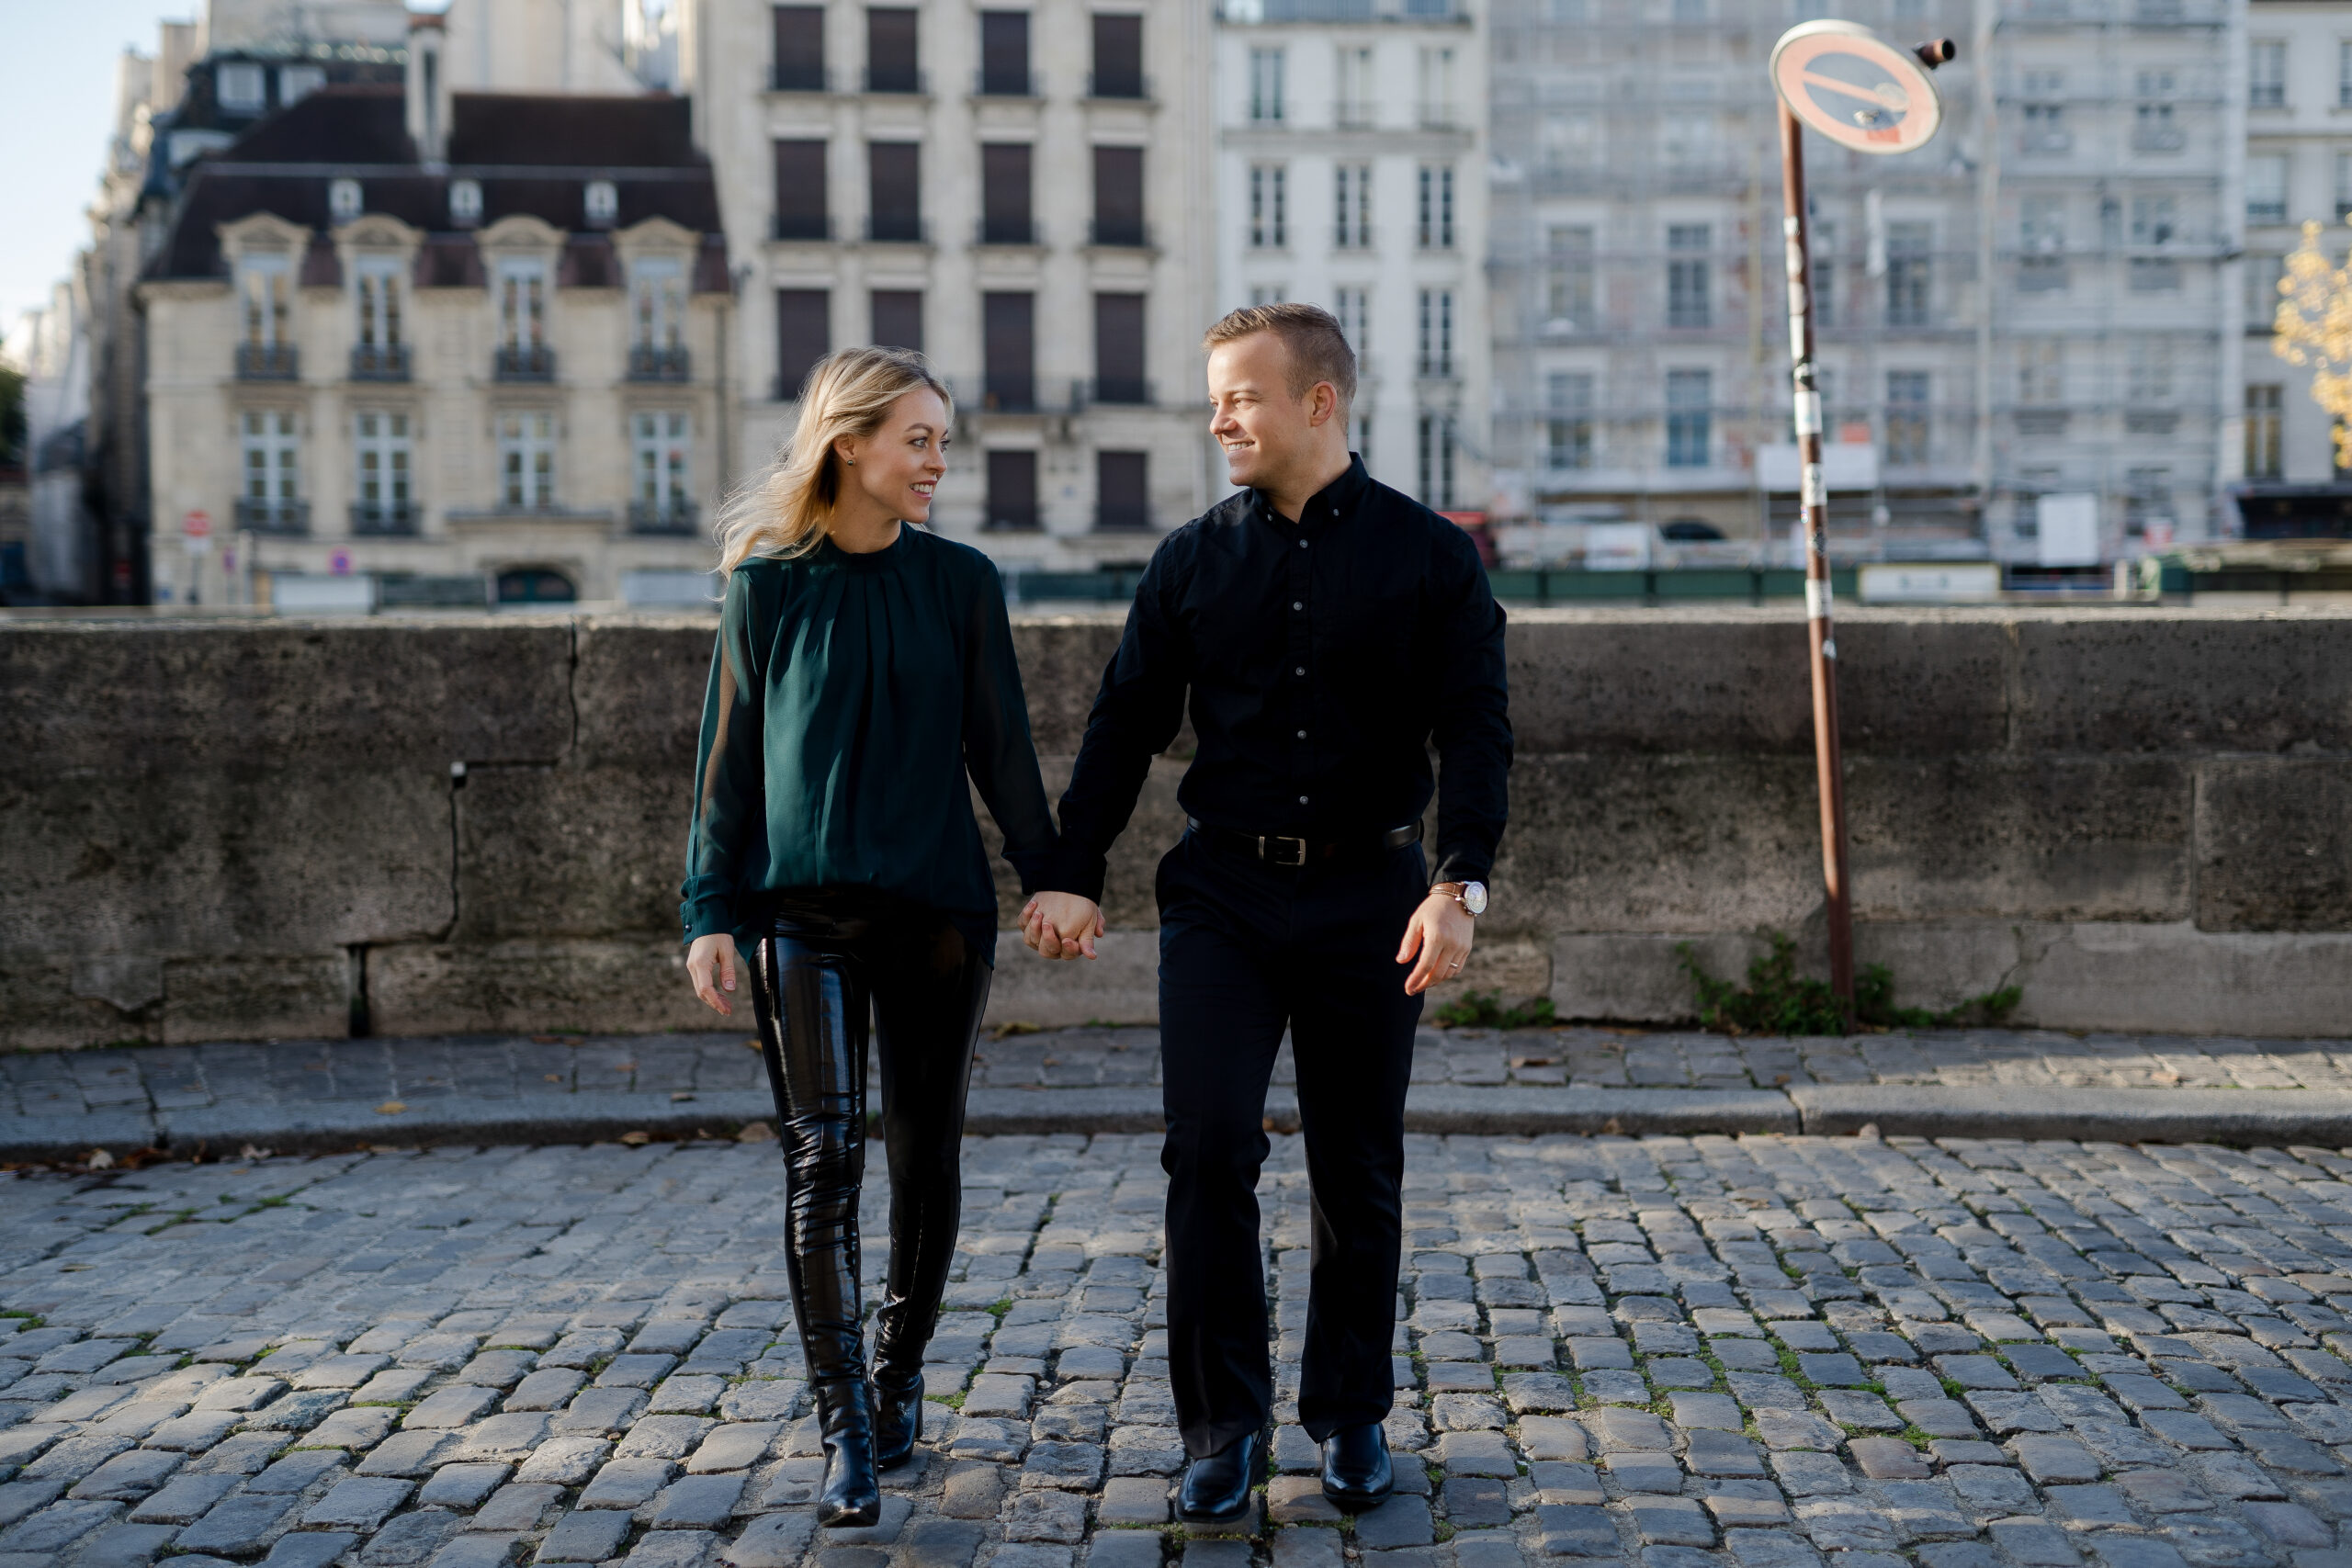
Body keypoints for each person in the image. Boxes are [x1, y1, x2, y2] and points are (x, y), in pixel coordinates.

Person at [1022, 303, 1512, 1522]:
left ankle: (1350, 1415)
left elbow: (1477, 726)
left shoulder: (1431, 558)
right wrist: (1071, 865)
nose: (1218, 417)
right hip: (1222, 894)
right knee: (1207, 1151)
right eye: (1217, 395)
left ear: (1318, 402)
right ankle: (1221, 1428)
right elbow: (1124, 722)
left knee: (1359, 1161)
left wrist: (1460, 882)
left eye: (1241, 394)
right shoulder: (1191, 558)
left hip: (1372, 893)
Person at [680, 346, 1061, 1528]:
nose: (939, 461)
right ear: (849, 443)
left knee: (923, 1158)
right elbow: (727, 769)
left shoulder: (961, 582)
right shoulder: (767, 587)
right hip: (801, 918)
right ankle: (844, 1426)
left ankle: (897, 1379)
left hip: (938, 915)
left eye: (943, 441)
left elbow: (1003, 753)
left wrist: (1055, 879)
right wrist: (710, 912)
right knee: (821, 1161)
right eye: (921, 439)